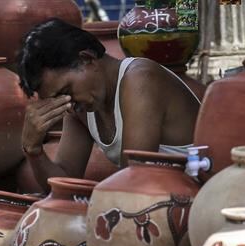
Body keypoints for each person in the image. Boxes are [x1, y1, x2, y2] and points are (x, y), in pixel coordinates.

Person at [17, 19, 201, 191]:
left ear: (87, 59)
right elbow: (62, 185)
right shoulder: (79, 104)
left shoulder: (140, 79)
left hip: (202, 199)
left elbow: (134, 178)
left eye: (66, 91)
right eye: (56, 98)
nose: (66, 102)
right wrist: (33, 150)